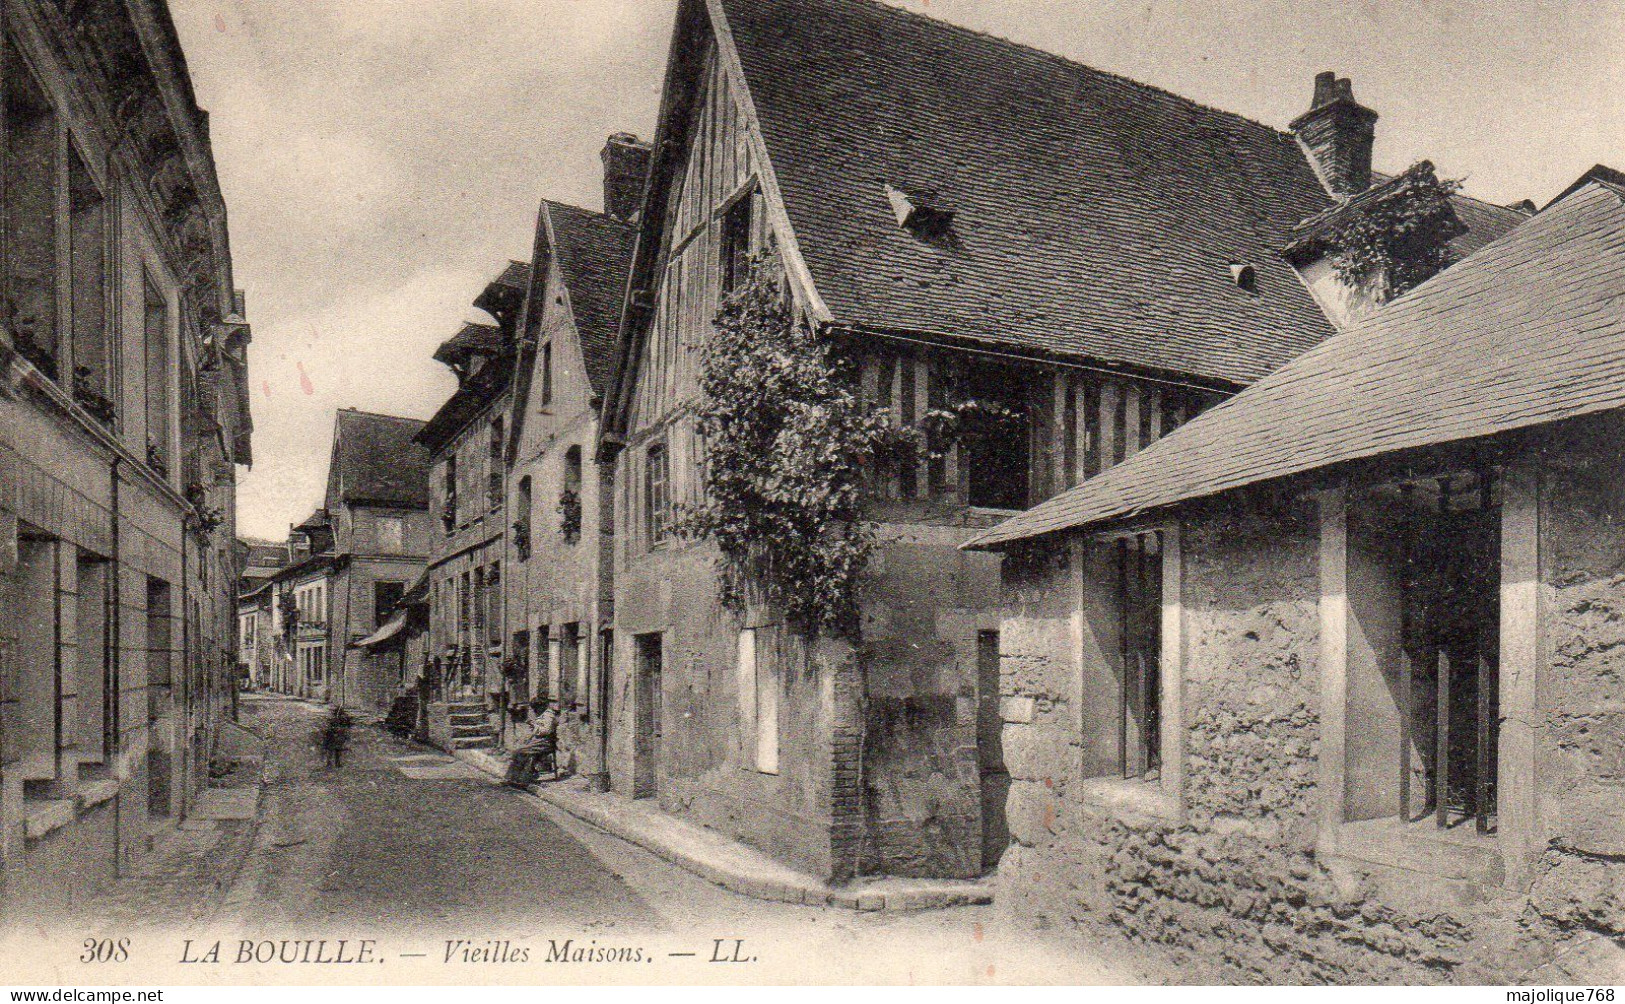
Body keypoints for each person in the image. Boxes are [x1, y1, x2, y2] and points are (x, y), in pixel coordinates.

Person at [504, 701, 559, 787]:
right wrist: (532, 726)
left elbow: (546, 731)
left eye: (536, 709)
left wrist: (534, 726)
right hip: (538, 742)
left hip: (545, 743)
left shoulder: (549, 715)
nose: (535, 711)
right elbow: (537, 730)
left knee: (520, 752)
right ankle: (515, 778)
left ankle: (521, 778)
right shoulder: (542, 715)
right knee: (521, 752)